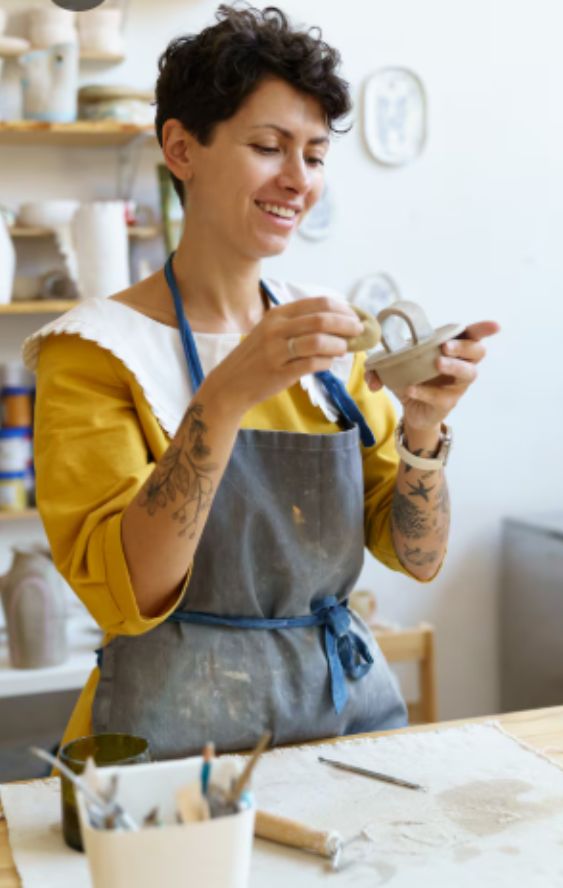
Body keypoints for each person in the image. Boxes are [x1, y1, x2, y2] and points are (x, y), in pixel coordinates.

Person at [24, 4, 499, 759]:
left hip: (344, 734)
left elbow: (417, 557)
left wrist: (422, 433)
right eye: (269, 146)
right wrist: (226, 391)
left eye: (314, 155)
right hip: (170, 752)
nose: (298, 180)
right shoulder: (92, 353)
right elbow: (130, 593)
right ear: (180, 147)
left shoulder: (329, 341)